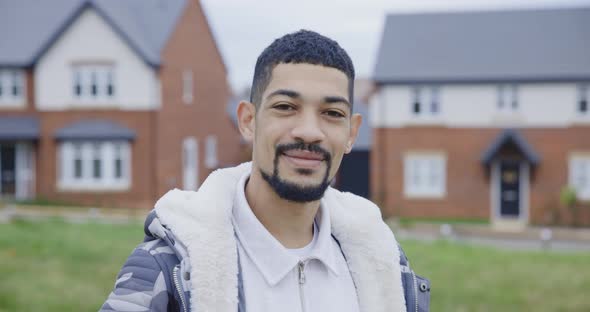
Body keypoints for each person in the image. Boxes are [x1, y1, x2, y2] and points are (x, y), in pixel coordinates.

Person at [101, 30, 430, 312]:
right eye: (286, 107)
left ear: (351, 133)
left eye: (332, 112)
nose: (309, 131)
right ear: (248, 120)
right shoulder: (167, 269)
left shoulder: (384, 265)